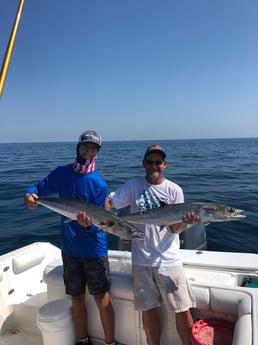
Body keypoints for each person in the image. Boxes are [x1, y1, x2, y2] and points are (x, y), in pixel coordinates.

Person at [25, 130, 117, 345]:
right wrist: (29, 195)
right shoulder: (61, 173)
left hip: (94, 249)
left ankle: (110, 342)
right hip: (69, 249)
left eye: (93, 148)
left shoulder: (99, 184)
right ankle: (83, 340)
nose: (88, 150)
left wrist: (87, 226)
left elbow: (101, 222)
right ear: (78, 148)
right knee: (76, 298)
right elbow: (38, 187)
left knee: (102, 299)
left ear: (98, 153)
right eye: (85, 146)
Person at [105, 145, 200, 345]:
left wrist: (185, 222)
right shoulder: (132, 186)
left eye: (158, 162)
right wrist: (100, 218)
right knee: (148, 311)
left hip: (169, 260)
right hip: (141, 261)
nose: (154, 165)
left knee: (182, 310)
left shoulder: (175, 190)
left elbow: (174, 229)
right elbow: (109, 202)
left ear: (165, 164)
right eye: (150, 162)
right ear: (143, 164)